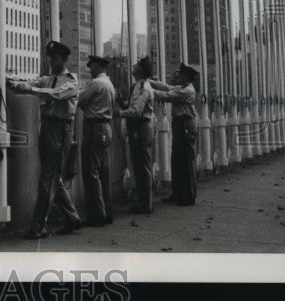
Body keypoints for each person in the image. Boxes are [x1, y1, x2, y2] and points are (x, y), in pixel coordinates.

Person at [7, 40, 83, 238]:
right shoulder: (47, 79)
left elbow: (56, 95)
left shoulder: (71, 81)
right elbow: (30, 83)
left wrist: (30, 90)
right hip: (48, 127)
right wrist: (12, 82)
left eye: (55, 58)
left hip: (60, 129)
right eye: (50, 58)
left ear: (64, 59)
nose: (51, 62)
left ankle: (38, 227)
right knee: (52, 177)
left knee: (47, 179)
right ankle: (73, 218)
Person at [150, 62, 199, 206]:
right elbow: (166, 87)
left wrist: (146, 88)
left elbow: (165, 95)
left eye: (181, 73)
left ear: (186, 76)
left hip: (185, 125)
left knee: (186, 162)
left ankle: (188, 196)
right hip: (180, 124)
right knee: (177, 160)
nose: (178, 75)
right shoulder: (183, 88)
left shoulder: (187, 91)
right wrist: (149, 81)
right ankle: (178, 193)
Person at [77, 53, 117, 226]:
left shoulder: (96, 83)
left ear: (98, 67)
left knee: (91, 171)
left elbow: (81, 101)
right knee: (103, 171)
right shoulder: (109, 84)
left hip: (94, 127)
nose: (90, 69)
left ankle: (97, 214)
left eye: (92, 66)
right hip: (106, 127)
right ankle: (107, 211)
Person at [116, 56, 155, 214]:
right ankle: (142, 201)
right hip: (136, 128)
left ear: (142, 70)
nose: (134, 65)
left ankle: (146, 204)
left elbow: (137, 111)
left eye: (137, 64)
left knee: (142, 166)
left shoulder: (144, 88)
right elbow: (132, 106)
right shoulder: (136, 86)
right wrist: (122, 102)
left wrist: (119, 112)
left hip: (141, 128)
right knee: (138, 165)